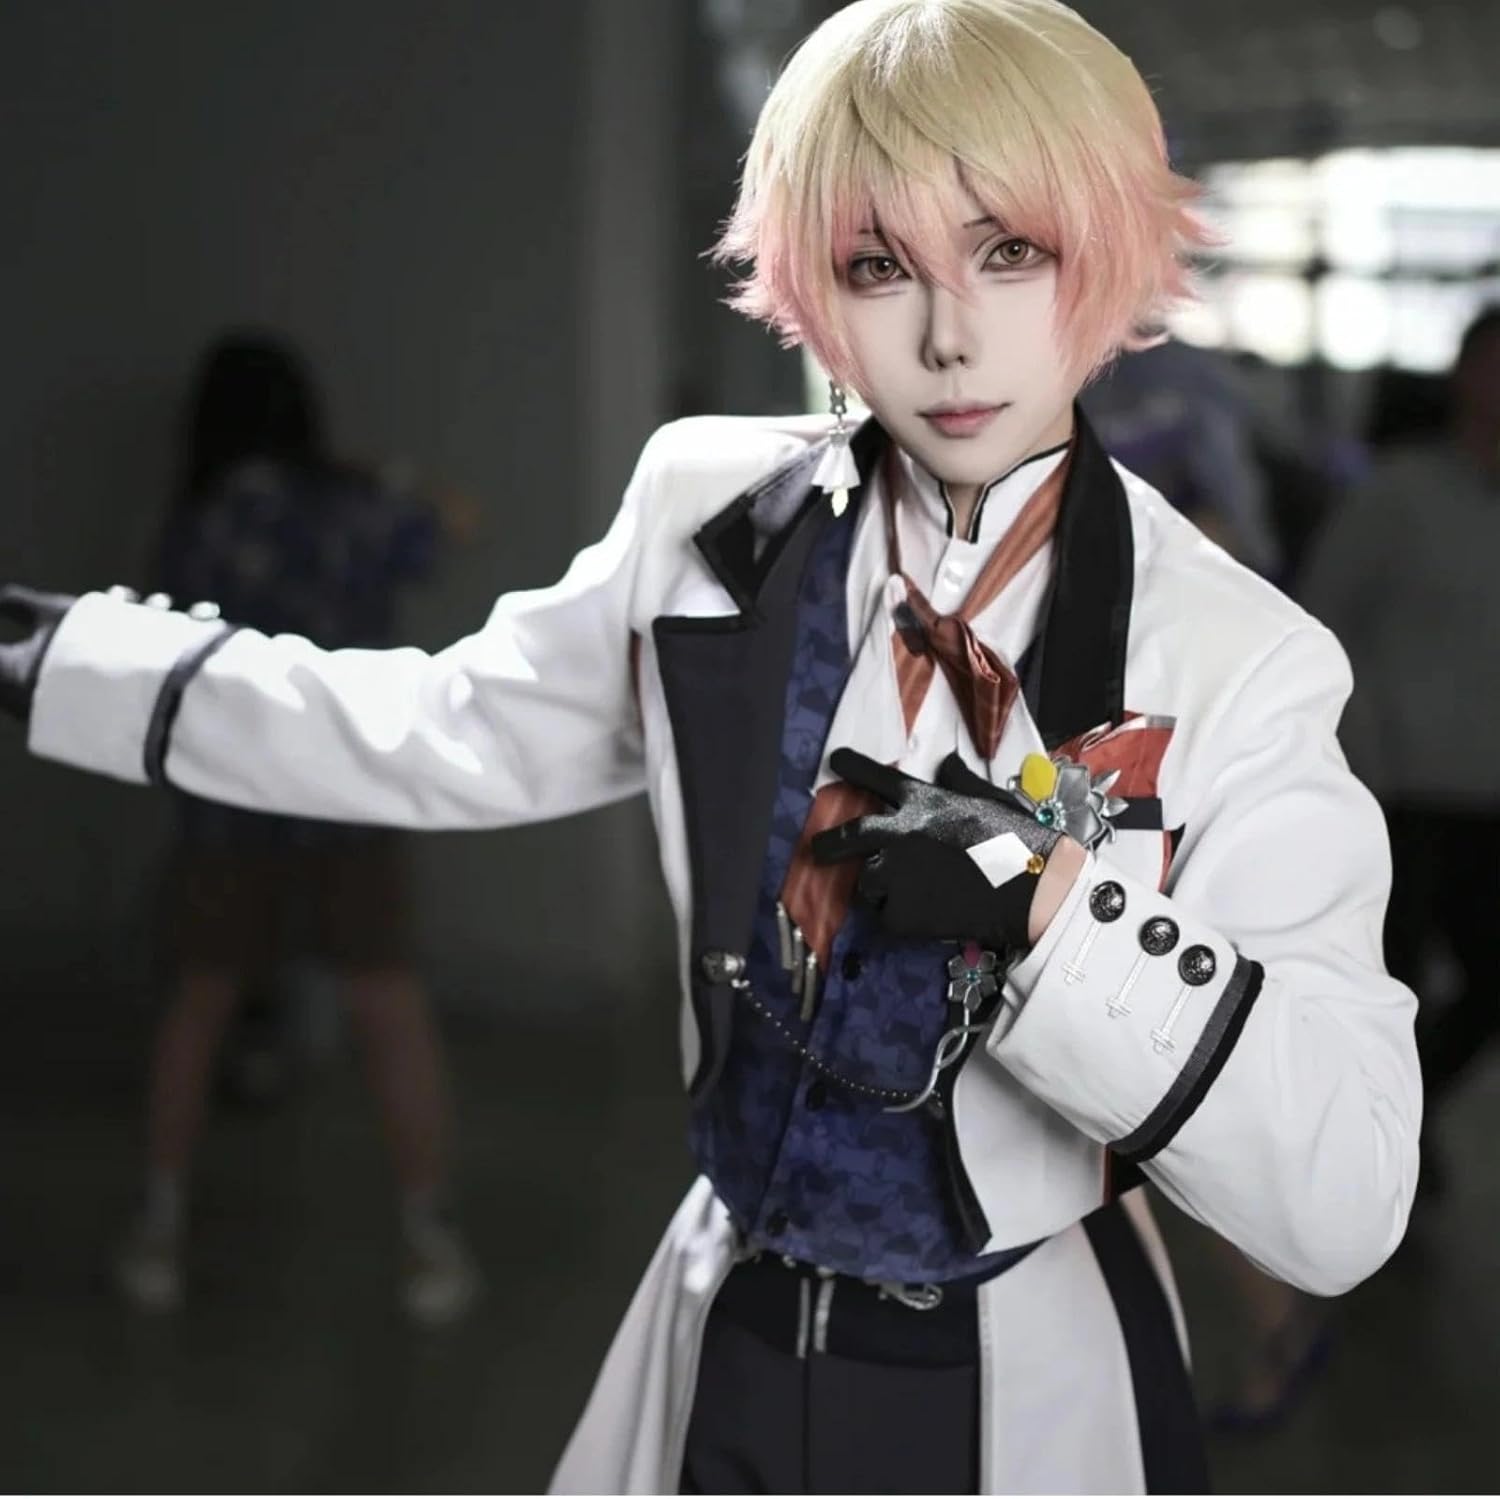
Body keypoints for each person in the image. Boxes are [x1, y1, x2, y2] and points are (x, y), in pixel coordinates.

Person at [0, 2, 1419, 1490]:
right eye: (880, 265)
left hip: (1028, 1364)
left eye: (1010, 251)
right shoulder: (713, 517)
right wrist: (62, 660)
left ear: (1107, 245)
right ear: (815, 285)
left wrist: (1058, 912)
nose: (949, 335)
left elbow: (1349, 1194)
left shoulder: (1237, 654)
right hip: (726, 1319)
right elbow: (439, 731)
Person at [115, 332, 479, 1323]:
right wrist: (378, 473)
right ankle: (429, 1237)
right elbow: (455, 521)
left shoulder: (200, 522)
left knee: (198, 1006)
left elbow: (154, 646)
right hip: (348, 794)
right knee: (388, 1005)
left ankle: (158, 1227)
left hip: (228, 799)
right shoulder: (353, 510)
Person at [1301, 305, 1500, 1194]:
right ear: (1463, 375)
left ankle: (1401, 1126)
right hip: (1399, 790)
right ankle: (1379, 1159)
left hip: (1490, 794)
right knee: (1392, 986)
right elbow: (1322, 620)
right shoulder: (1399, 494)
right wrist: (1356, 757)